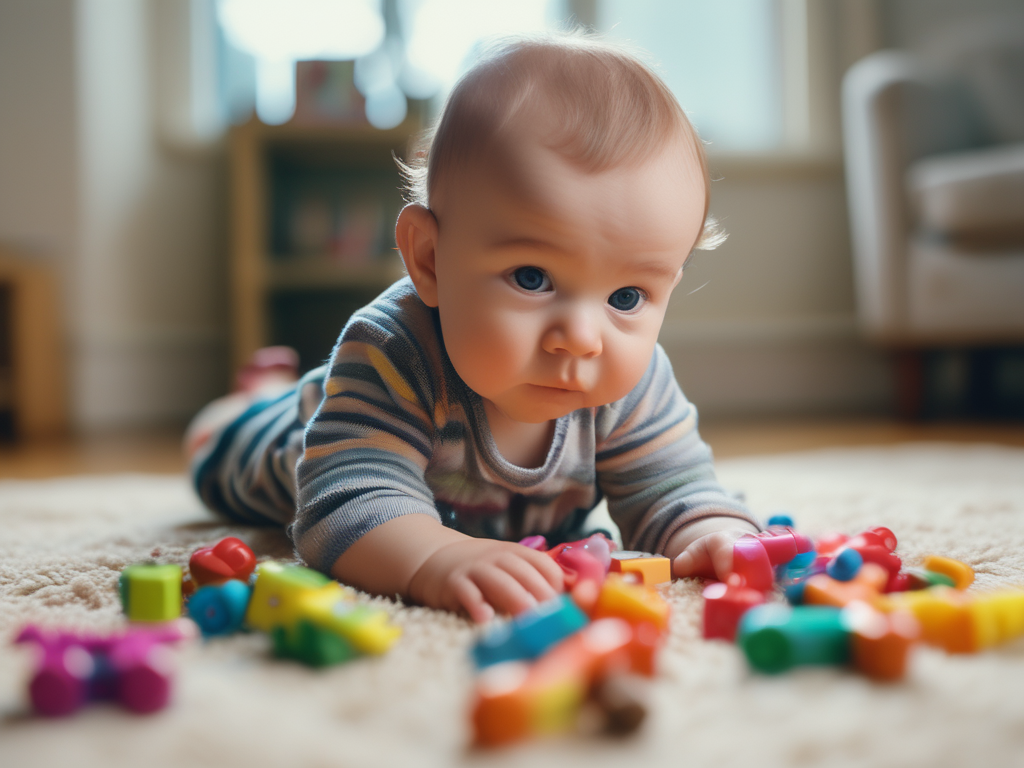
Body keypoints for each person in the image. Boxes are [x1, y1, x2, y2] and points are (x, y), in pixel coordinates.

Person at [188, 33, 761, 624]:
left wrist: (713, 530)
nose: (582, 338)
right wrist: (438, 557)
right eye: (532, 278)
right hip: (292, 442)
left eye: (626, 296)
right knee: (217, 447)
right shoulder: (392, 350)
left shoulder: (634, 387)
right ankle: (251, 398)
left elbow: (674, 488)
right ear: (431, 261)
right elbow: (346, 504)